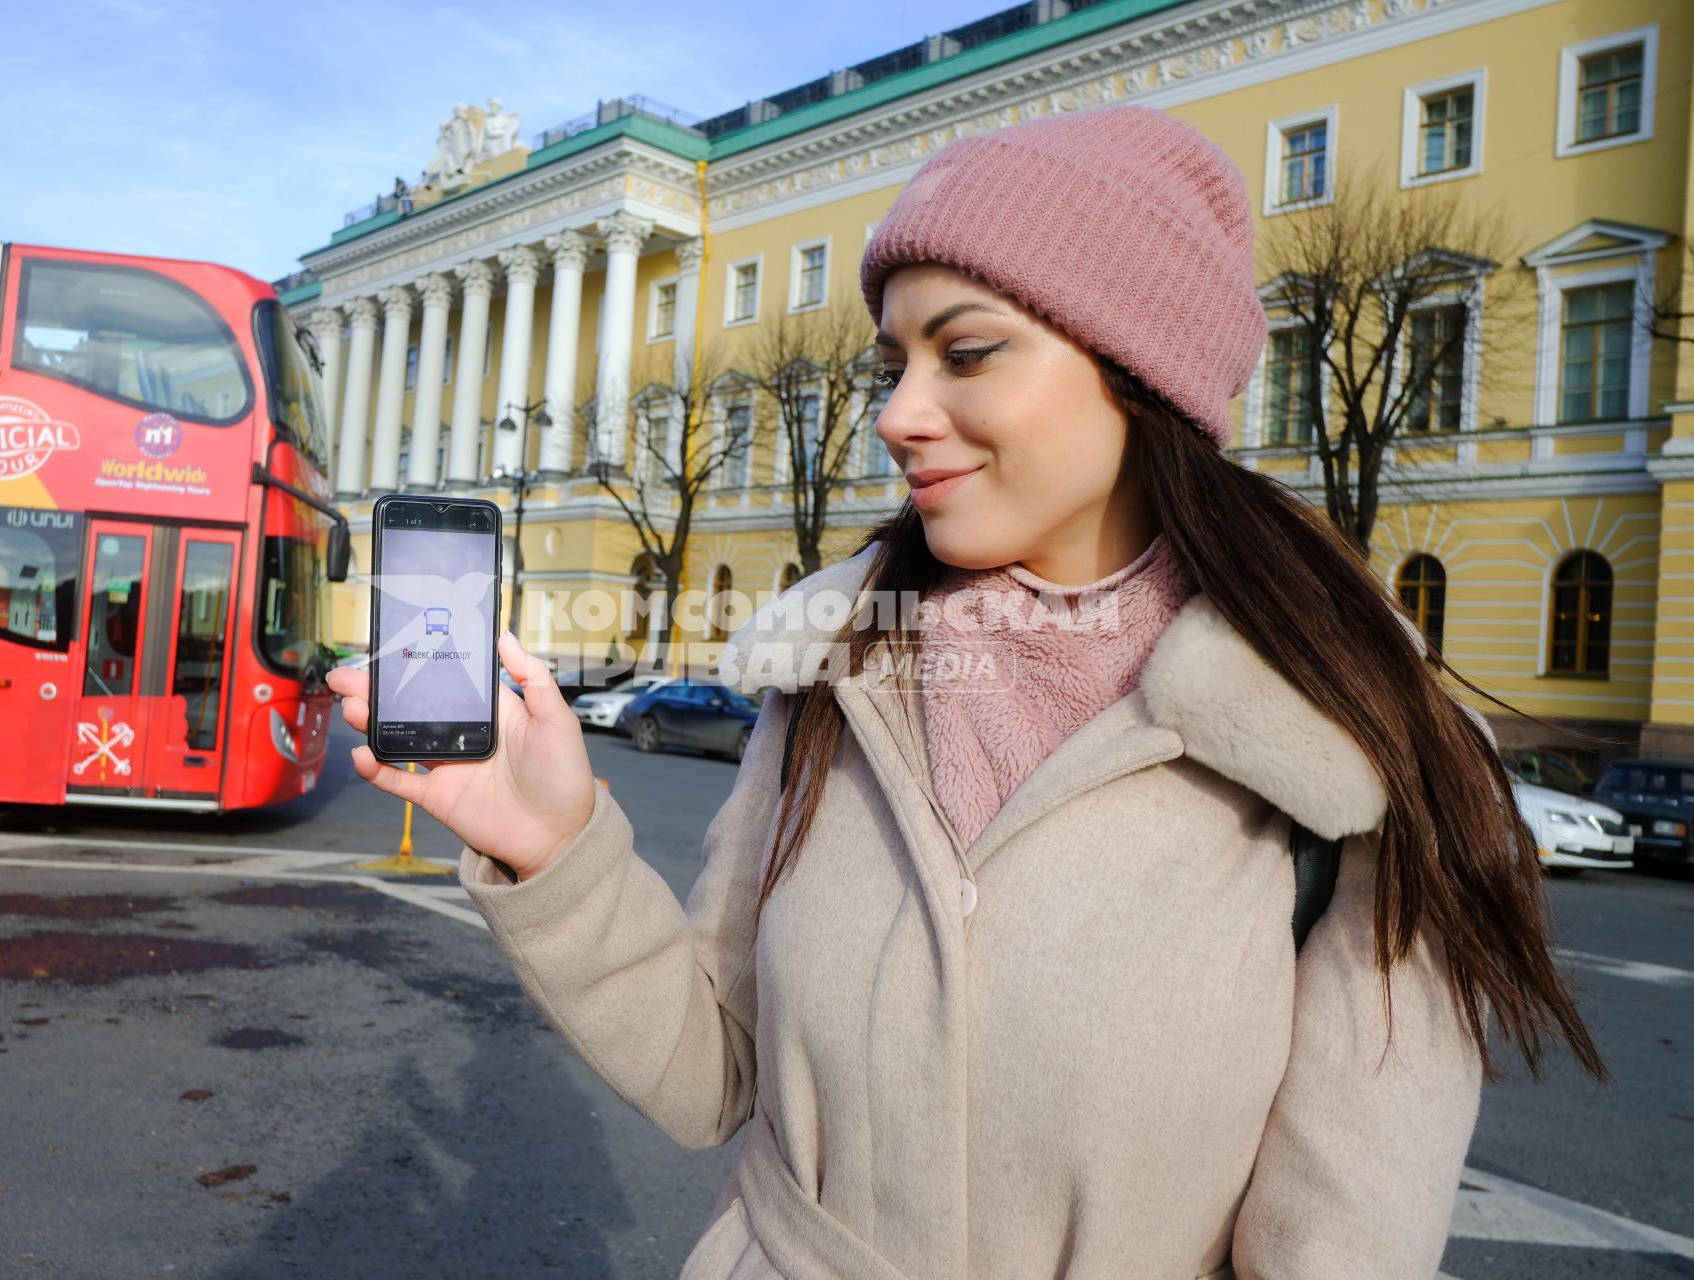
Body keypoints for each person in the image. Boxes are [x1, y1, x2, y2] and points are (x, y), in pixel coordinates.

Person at [325, 105, 1605, 1279]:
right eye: (894, 363)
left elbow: (1341, 1253)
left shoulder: (1354, 747)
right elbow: (712, 1072)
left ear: (1138, 372)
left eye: (968, 351)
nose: (898, 412)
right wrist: (556, 847)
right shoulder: (831, 677)